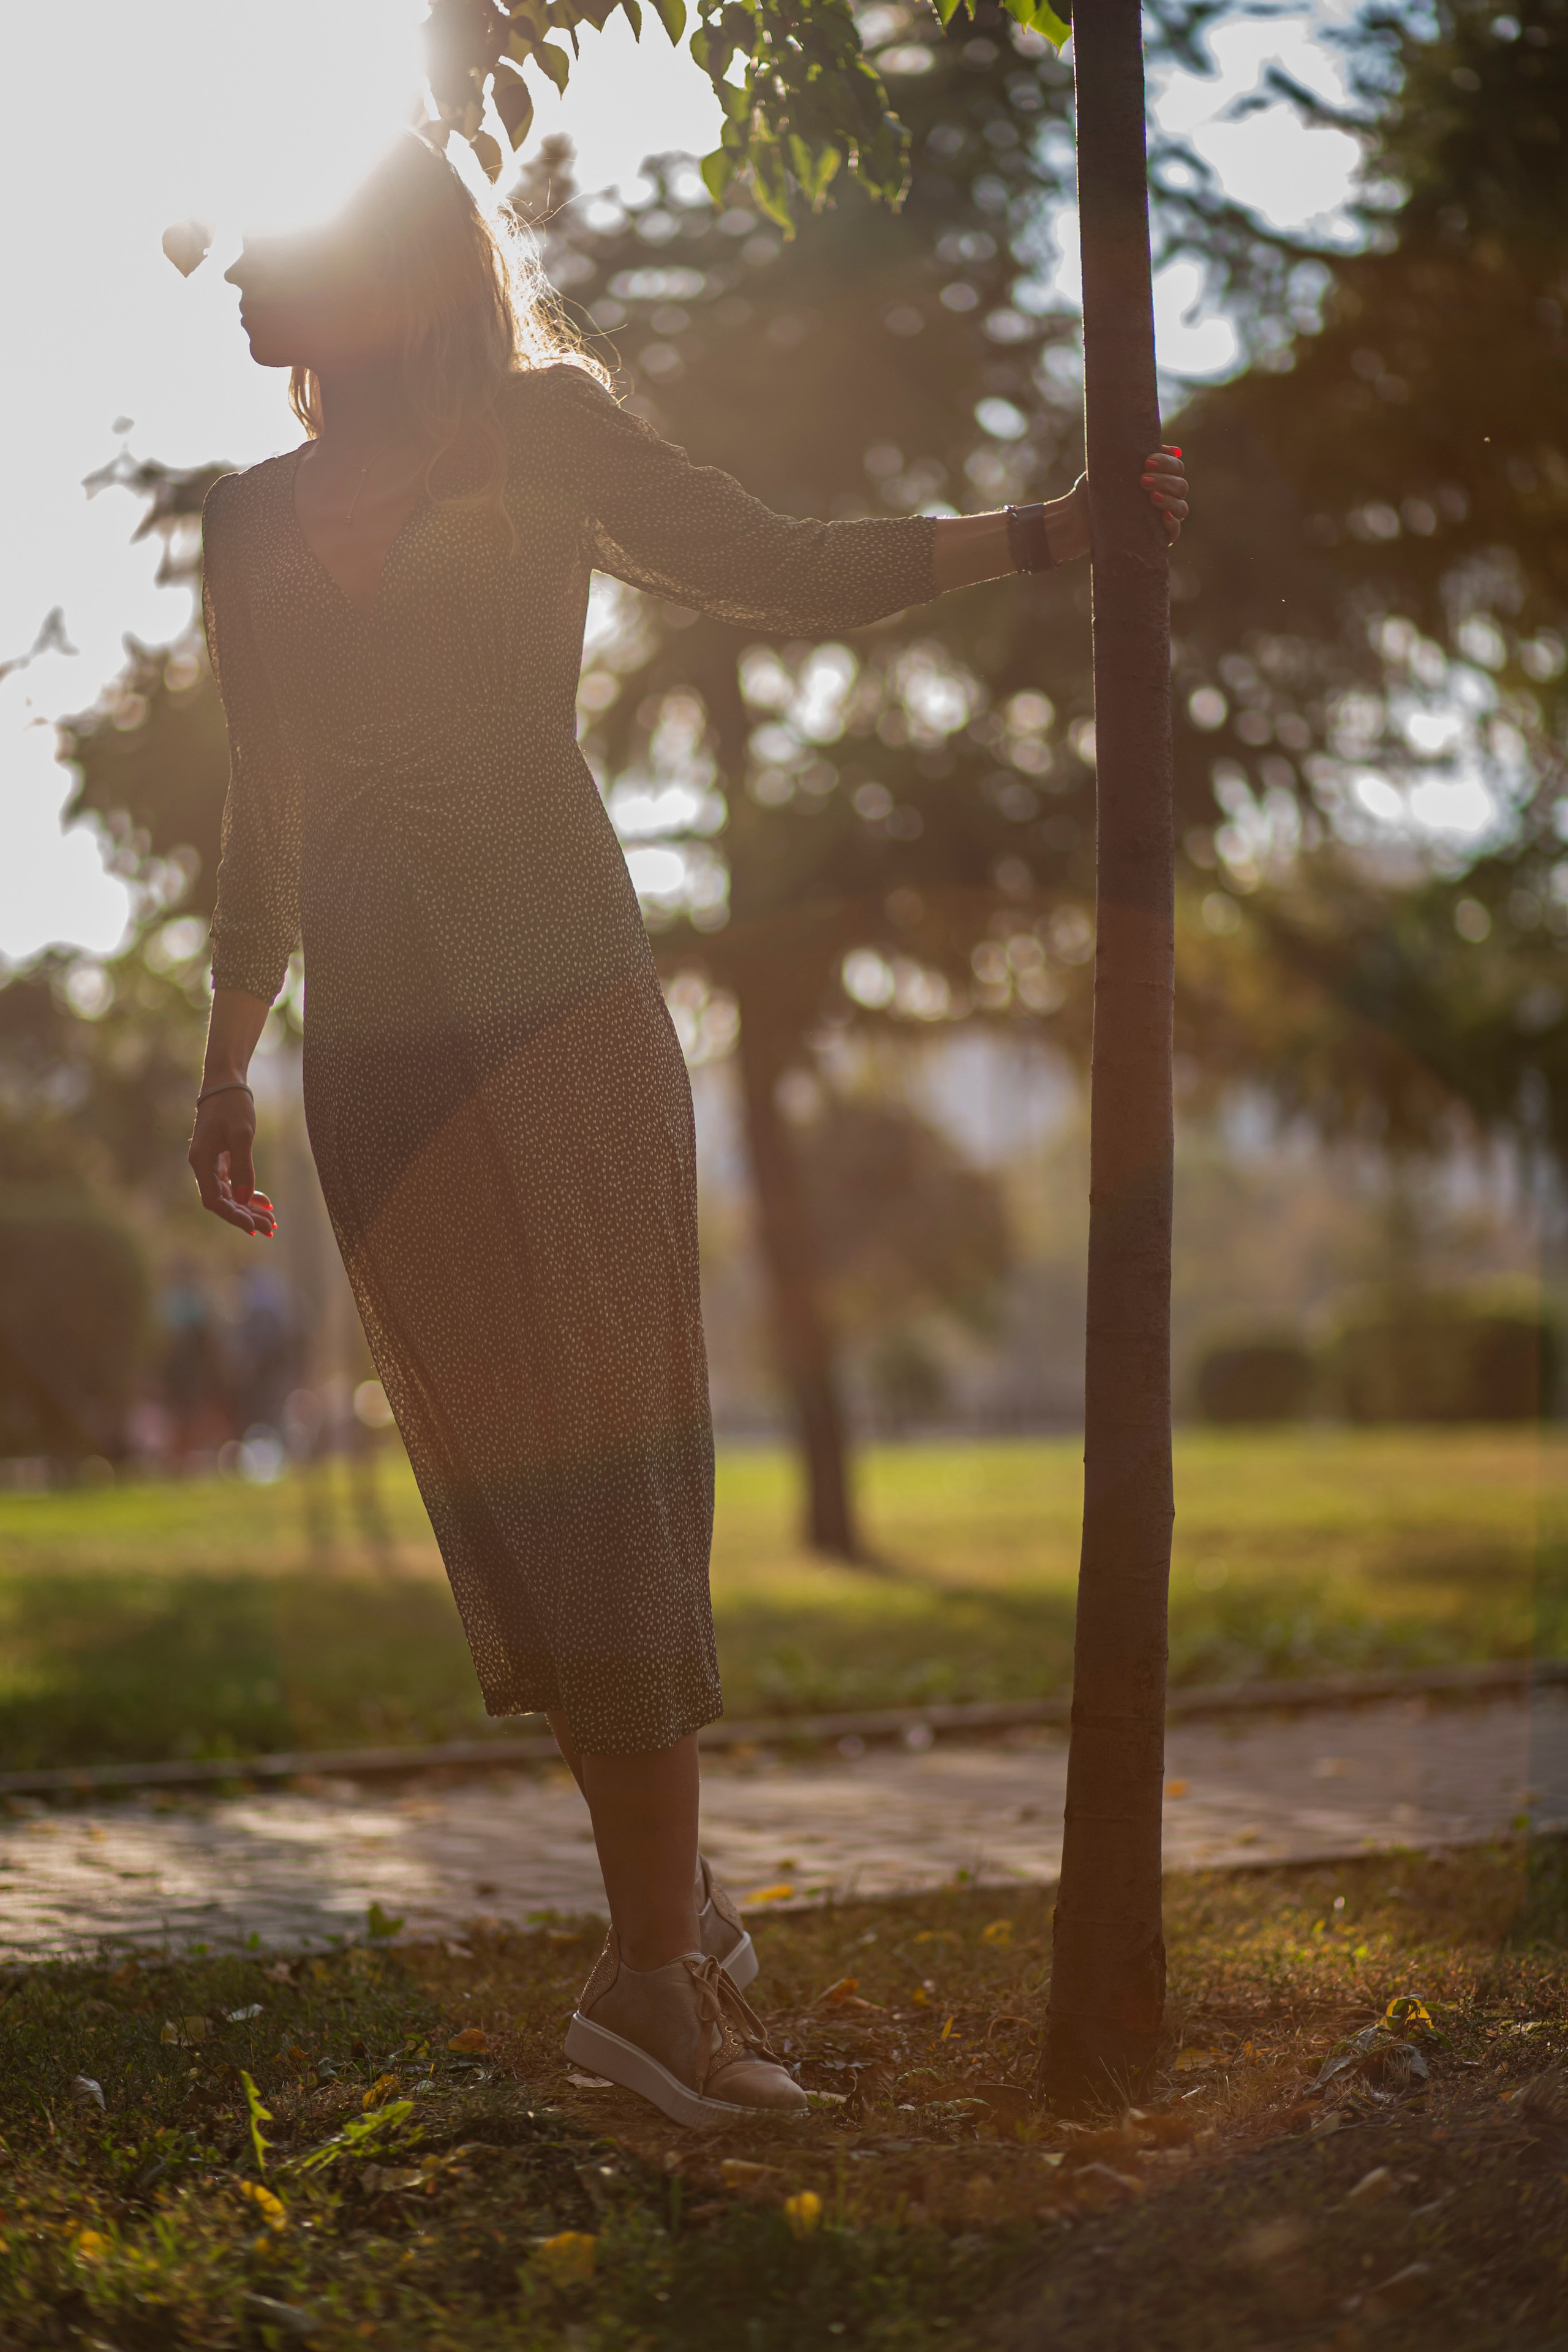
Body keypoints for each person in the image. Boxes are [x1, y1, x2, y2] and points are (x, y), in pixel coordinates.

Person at [187, 129, 1189, 2129]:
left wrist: (1050, 533)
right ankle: (680, 1924)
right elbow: (262, 807)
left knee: (616, 1474)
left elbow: (785, 568)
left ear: (384, 275)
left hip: (560, 1011)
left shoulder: (543, 437)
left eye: (276, 240)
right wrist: (223, 1056)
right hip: (373, 1059)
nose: (233, 271)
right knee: (526, 1499)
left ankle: (654, 1985)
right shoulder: (246, 518)